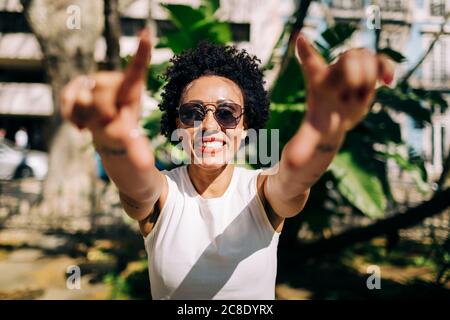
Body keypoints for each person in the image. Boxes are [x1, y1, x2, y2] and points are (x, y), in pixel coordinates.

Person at [60, 29, 394, 299]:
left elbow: (296, 175)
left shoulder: (261, 192)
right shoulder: (164, 195)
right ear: (177, 126)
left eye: (226, 113)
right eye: (192, 113)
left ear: (246, 125)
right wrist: (114, 140)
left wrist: (324, 128)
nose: (209, 126)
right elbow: (134, 182)